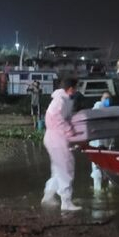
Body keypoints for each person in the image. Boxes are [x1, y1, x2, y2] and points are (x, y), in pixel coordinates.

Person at [41, 78, 82, 211]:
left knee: (58, 170)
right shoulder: (61, 100)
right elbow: (56, 118)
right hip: (57, 138)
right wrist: (70, 131)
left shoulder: (60, 99)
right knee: (65, 169)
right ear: (71, 89)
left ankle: (48, 196)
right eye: (75, 88)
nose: (76, 91)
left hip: (53, 137)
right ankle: (66, 202)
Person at [89, 91, 113, 192]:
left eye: (109, 99)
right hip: (96, 145)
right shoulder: (98, 105)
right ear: (101, 98)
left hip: (106, 145)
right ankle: (98, 191)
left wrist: (111, 144)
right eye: (105, 98)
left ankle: (107, 189)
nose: (107, 100)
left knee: (107, 169)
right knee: (97, 169)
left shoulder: (110, 111)